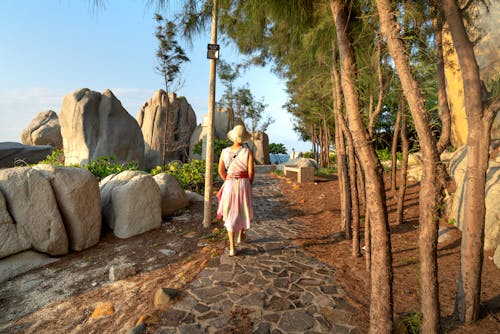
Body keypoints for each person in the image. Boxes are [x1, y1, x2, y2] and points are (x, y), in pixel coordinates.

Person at [217, 124, 255, 256]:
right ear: (244, 139)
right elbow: (251, 172)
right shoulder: (247, 152)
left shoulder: (224, 151)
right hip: (243, 183)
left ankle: (232, 248)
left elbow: (221, 170)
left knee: (229, 213)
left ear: (233, 137)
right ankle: (241, 234)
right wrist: (248, 183)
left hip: (229, 183)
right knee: (242, 209)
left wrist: (228, 180)